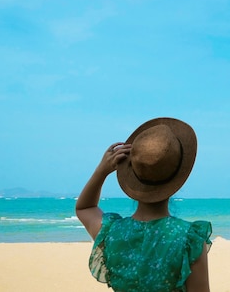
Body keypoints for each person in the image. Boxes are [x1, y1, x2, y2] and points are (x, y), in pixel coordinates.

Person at [76, 117, 211, 292]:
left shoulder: (111, 233)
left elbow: (84, 208)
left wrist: (101, 171)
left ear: (133, 175)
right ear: (176, 181)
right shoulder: (187, 240)